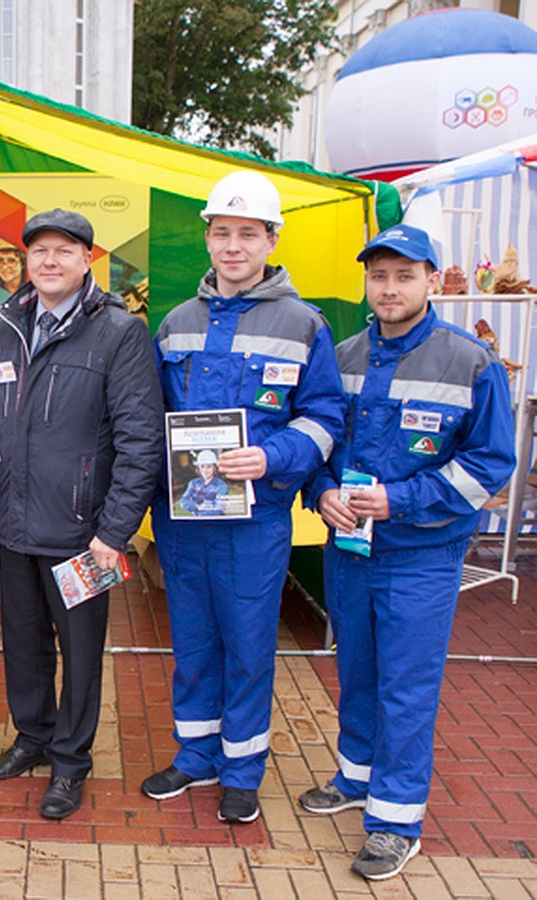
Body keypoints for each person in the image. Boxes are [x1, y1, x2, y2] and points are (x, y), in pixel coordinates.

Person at [298, 224, 514, 880]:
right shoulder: (345, 353)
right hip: (350, 549)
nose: (389, 288)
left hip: (421, 554)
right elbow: (320, 439)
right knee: (357, 669)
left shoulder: (470, 361)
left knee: (406, 687)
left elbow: (490, 465)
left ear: (429, 281)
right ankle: (357, 776)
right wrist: (322, 490)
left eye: (404, 276)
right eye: (379, 276)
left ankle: (396, 821)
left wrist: (403, 501)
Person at [143, 170, 345, 824]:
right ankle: (195, 755)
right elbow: (151, 418)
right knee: (193, 643)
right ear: (208, 237)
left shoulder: (303, 323)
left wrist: (272, 456)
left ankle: (242, 768)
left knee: (250, 645)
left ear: (271, 238)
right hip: (184, 518)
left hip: (254, 520)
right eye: (223, 232)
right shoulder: (175, 324)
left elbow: (323, 419)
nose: (234, 246)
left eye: (248, 234)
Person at [0, 209, 164, 819]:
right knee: (22, 645)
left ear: (89, 259)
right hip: (16, 522)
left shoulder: (118, 331)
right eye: (39, 251)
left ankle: (69, 763)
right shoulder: (6, 325)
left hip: (85, 536)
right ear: (25, 261)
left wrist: (114, 532)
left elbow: (140, 439)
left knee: (80, 653)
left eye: (65, 250)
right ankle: (32, 739)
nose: (49, 261)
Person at [180, 449, 229, 516]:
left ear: (214, 468)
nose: (205, 470)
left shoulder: (222, 486)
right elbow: (183, 501)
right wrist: (197, 506)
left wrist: (197, 512)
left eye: (209, 466)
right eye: (202, 466)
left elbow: (219, 509)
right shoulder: (193, 483)